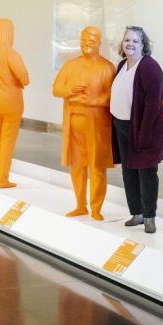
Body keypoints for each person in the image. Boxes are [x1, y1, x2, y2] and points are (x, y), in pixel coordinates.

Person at [53, 26, 116, 221]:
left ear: (98, 43)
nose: (86, 45)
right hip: (74, 123)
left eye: (90, 41)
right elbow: (56, 89)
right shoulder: (71, 65)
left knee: (97, 166)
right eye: (83, 41)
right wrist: (70, 89)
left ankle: (96, 208)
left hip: (97, 125)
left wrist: (92, 101)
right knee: (77, 165)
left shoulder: (107, 67)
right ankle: (81, 205)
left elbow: (111, 96)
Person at [110, 26, 163, 234]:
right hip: (122, 125)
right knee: (128, 171)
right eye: (127, 40)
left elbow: (154, 104)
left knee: (146, 172)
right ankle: (137, 213)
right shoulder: (122, 65)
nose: (130, 44)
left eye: (135, 41)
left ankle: (150, 216)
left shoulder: (150, 67)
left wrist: (144, 133)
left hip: (145, 129)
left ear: (144, 45)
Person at [0, 18, 30, 188]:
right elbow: (25, 79)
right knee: (8, 141)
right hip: (12, 103)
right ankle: (3, 178)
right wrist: (20, 81)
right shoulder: (11, 53)